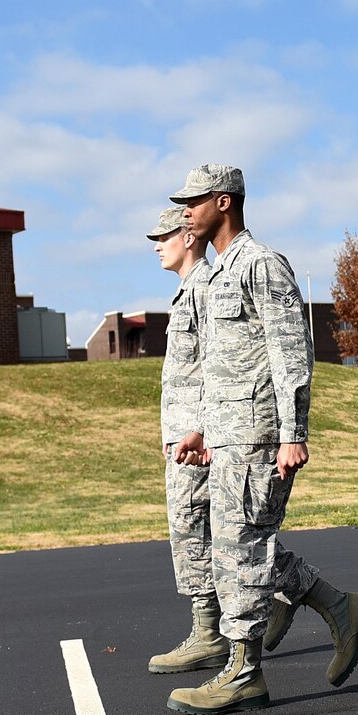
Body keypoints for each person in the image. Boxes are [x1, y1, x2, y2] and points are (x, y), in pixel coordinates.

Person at [166, 163, 358, 715]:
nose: (185, 210)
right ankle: (339, 608)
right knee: (233, 548)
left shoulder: (262, 266)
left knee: (242, 548)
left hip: (261, 439)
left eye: (194, 201)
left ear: (224, 201)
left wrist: (293, 434)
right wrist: (204, 431)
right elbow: (225, 369)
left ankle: (244, 671)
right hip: (229, 438)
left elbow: (290, 357)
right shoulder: (215, 276)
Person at [145, 203, 227, 676]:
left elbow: (217, 367)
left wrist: (204, 431)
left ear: (188, 237)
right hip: (184, 440)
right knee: (198, 533)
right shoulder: (187, 292)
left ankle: (208, 634)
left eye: (164, 237)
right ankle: (215, 627)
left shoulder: (204, 290)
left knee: (196, 531)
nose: (158, 246)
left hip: (196, 445)